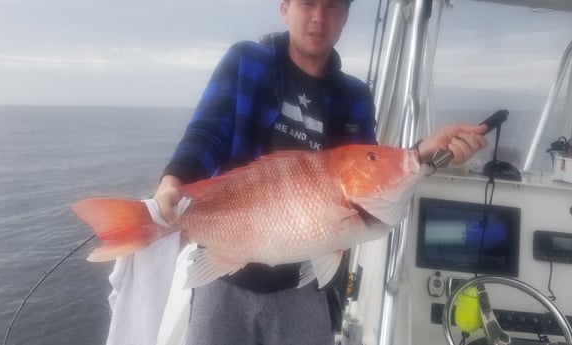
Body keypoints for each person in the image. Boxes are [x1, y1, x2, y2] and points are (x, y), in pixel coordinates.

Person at [153, 0, 488, 344]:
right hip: (225, 279)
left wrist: (423, 154)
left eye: (332, 6)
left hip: (301, 280)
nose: (318, 17)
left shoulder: (354, 95)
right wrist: (173, 182)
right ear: (284, 8)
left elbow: (369, 173)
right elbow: (209, 132)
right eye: (307, 3)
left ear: (344, 16)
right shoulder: (246, 62)